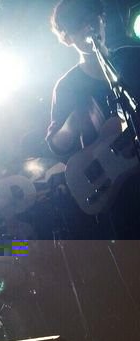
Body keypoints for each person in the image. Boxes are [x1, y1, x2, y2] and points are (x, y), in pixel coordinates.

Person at [46, 0, 140, 239]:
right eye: (78, 25)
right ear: (66, 38)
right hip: (118, 191)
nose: (88, 28)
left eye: (92, 19)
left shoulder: (133, 59)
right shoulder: (67, 87)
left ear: (103, 19)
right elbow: (56, 146)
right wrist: (71, 124)